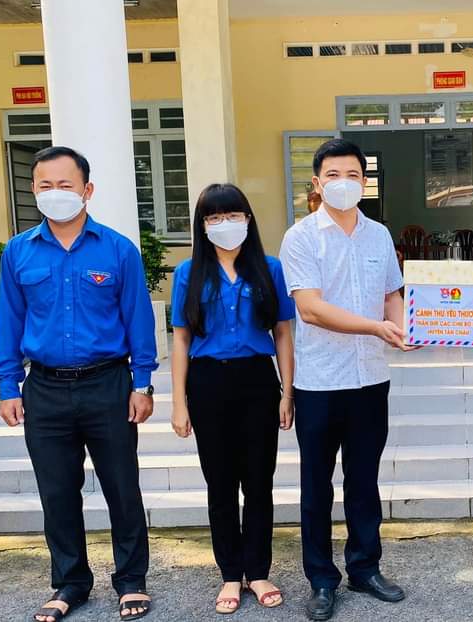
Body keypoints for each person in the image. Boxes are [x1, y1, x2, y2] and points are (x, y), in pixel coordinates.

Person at [0, 146, 156, 622]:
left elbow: (138, 319)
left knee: (122, 487)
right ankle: (70, 582)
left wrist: (142, 382)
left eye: (66, 184)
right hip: (44, 390)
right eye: (46, 185)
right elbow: (8, 321)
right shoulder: (19, 251)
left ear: (87, 190)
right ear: (33, 190)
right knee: (57, 492)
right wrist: (7, 385)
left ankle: (131, 581)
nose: (55, 193)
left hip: (108, 385)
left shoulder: (118, 249)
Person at [280, 138, 414, 621]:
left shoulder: (379, 235)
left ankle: (364, 567)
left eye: (353, 175)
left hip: (370, 379)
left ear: (365, 181)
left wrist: (405, 327)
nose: (343, 183)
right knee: (316, 486)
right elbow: (311, 309)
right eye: (333, 175)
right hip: (319, 382)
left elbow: (392, 294)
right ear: (317, 183)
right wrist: (377, 327)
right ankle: (321, 579)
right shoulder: (300, 238)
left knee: (364, 481)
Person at [169, 183, 296, 614]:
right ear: (202, 226)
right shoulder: (189, 272)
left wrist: (287, 392)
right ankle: (229, 573)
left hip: (257, 381)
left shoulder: (269, 268)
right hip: (208, 383)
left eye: (232, 215)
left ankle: (257, 571)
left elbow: (283, 333)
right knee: (220, 483)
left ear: (248, 219)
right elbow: (181, 339)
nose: (224, 224)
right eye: (214, 217)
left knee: (259, 482)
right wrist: (179, 402)